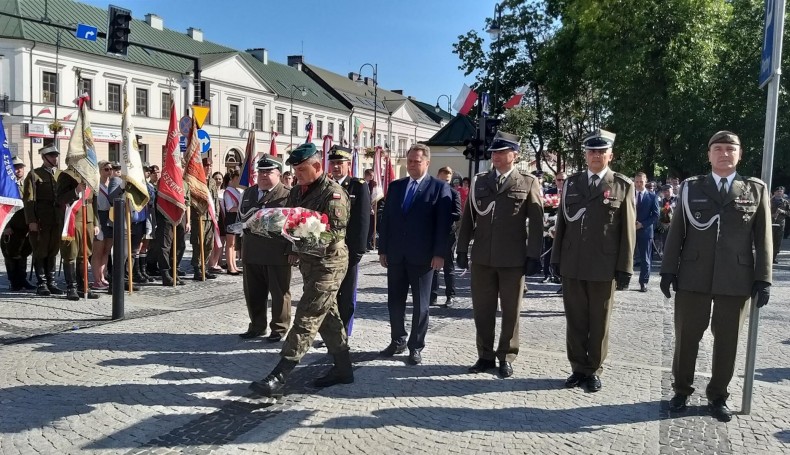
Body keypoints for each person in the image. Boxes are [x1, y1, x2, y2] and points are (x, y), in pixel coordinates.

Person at [661, 131, 772, 422]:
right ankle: (681, 390)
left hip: (736, 279)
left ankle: (718, 395)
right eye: (718, 149)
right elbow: (677, 233)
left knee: (727, 341)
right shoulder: (690, 188)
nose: (724, 153)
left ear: (740, 154)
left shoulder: (755, 189)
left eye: (730, 149)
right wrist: (668, 270)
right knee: (687, 337)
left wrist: (764, 277)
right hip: (693, 276)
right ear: (709, 154)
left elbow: (764, 239)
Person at [249, 143, 352, 397]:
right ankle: (343, 369)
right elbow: (289, 221)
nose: (297, 175)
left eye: (302, 169)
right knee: (328, 316)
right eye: (294, 170)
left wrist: (300, 235)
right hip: (309, 263)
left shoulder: (334, 194)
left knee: (307, 316)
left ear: (317, 166)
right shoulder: (297, 191)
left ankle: (279, 375)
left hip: (329, 263)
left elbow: (332, 234)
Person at [551, 129, 635, 393]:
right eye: (591, 151)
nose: (596, 155)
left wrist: (625, 267)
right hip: (573, 264)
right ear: (585, 155)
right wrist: (556, 259)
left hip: (603, 266)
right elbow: (562, 224)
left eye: (601, 151)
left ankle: (594, 369)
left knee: (599, 322)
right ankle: (577, 368)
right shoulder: (573, 184)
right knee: (575, 319)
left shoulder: (622, 185)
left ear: (611, 155)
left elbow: (627, 231)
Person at [456, 132, 544, 378]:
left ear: (514, 155)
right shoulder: (480, 181)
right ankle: (484, 355)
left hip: (513, 259)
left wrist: (533, 255)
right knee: (482, 310)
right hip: (483, 258)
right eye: (493, 152)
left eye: (501, 152)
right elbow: (468, 219)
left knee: (510, 310)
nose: (495, 156)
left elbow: (536, 223)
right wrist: (462, 249)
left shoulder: (527, 182)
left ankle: (506, 355)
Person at [378, 144, 452, 365]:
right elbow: (387, 220)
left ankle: (416, 346)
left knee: (421, 305)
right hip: (397, 255)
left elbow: (443, 225)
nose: (411, 164)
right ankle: (397, 340)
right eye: (409, 160)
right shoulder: (397, 186)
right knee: (395, 302)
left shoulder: (439, 188)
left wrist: (440, 254)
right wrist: (383, 249)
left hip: (424, 257)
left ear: (427, 163)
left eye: (416, 161)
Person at [238, 155, 292, 341]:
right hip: (252, 251)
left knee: (279, 294)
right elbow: (241, 221)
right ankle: (257, 325)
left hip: (276, 252)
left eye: (268, 172)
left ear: (278, 174)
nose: (263, 175)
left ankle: (279, 328)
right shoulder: (248, 193)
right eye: (260, 171)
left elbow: (294, 225)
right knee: (253, 293)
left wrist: (292, 250)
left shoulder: (287, 194)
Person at [328, 146, 371, 335]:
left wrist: (358, 251)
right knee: (330, 293)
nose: (336, 167)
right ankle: (331, 330)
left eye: (340, 163)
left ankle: (344, 331)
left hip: (348, 250)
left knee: (346, 294)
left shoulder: (358, 186)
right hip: (327, 249)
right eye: (333, 163)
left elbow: (362, 221)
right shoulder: (325, 186)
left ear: (348, 164)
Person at [23, 145, 64, 296]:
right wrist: (31, 220)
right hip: (41, 218)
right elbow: (29, 199)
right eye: (52, 156)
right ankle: (42, 283)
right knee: (40, 250)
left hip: (57, 218)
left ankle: (52, 282)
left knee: (53, 250)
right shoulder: (34, 175)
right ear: (44, 157)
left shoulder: (60, 174)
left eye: (56, 155)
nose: (55, 158)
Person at [56, 170, 100, 300]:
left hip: (89, 220)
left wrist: (96, 222)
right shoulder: (66, 175)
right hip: (73, 220)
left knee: (84, 255)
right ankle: (71, 287)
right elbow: (60, 199)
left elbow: (94, 201)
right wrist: (76, 191)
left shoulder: (90, 173)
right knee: (70, 254)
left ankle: (83, 286)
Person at [3, 157, 35, 291]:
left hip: (25, 227)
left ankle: (22, 280)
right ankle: (14, 281)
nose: (18, 170)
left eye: (20, 167)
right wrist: (6, 227)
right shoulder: (5, 186)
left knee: (23, 254)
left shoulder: (28, 185)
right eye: (15, 167)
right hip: (11, 228)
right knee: (10, 255)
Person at [431, 166, 462, 308]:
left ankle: (450, 295)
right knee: (432, 266)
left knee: (448, 266)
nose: (444, 182)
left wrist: (444, 214)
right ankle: (432, 296)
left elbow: (458, 214)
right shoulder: (431, 191)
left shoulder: (453, 193)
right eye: (442, 179)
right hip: (432, 232)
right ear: (437, 176)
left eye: (447, 180)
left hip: (448, 233)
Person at [190, 156, 218, 281]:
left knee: (209, 244)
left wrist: (216, 216)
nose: (209, 168)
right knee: (198, 243)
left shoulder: (212, 182)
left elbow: (215, 199)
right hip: (199, 217)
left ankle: (204, 268)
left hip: (210, 217)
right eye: (206, 165)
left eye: (210, 166)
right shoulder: (197, 181)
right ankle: (197, 268)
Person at [633, 172, 659, 292]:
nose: (638, 184)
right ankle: (622, 280)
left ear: (645, 182)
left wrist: (642, 224)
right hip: (630, 230)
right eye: (637, 182)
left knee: (645, 258)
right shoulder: (630, 195)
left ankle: (643, 282)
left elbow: (655, 215)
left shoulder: (652, 196)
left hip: (645, 231)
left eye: (641, 182)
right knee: (626, 256)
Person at [92, 161, 113, 290]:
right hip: (99, 217)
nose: (109, 171)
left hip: (110, 218)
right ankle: (96, 279)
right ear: (99, 170)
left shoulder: (112, 185)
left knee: (106, 251)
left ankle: (103, 277)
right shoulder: (95, 186)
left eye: (110, 169)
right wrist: (96, 222)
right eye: (106, 169)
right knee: (98, 252)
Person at [222, 169, 242, 275]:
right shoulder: (228, 191)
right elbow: (229, 208)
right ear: (234, 179)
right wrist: (241, 208)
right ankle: (230, 266)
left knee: (234, 244)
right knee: (230, 244)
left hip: (237, 218)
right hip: (231, 218)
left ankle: (234, 265)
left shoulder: (237, 191)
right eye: (238, 178)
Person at [208, 171, 226, 273]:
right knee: (213, 240)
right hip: (213, 217)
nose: (218, 181)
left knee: (221, 241)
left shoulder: (224, 192)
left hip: (222, 218)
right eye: (216, 179)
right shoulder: (210, 191)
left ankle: (218, 261)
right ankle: (212, 263)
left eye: (220, 179)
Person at [770, 186, 789, 264]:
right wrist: (772, 215)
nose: (779, 193)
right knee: (769, 241)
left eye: (781, 191)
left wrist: (782, 211)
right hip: (770, 224)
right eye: (777, 191)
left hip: (780, 224)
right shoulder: (769, 201)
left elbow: (789, 213)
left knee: (777, 242)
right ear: (774, 192)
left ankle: (773, 258)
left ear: (783, 193)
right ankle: (767, 257)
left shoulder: (786, 202)